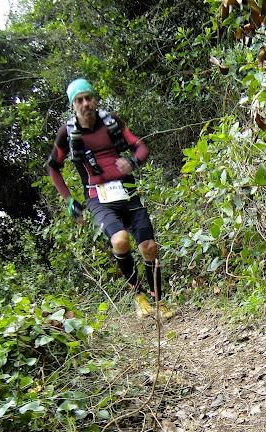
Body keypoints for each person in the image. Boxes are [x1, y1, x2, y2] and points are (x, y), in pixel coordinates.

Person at [46, 78, 172, 319]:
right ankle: (139, 296)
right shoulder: (67, 133)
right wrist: (69, 200)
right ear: (73, 105)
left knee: (150, 247)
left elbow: (140, 146)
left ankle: (159, 300)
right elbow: (53, 167)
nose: (85, 104)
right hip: (98, 197)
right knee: (120, 241)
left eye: (88, 98)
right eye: (79, 100)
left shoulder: (112, 122)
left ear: (95, 99)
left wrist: (133, 161)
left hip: (127, 192)